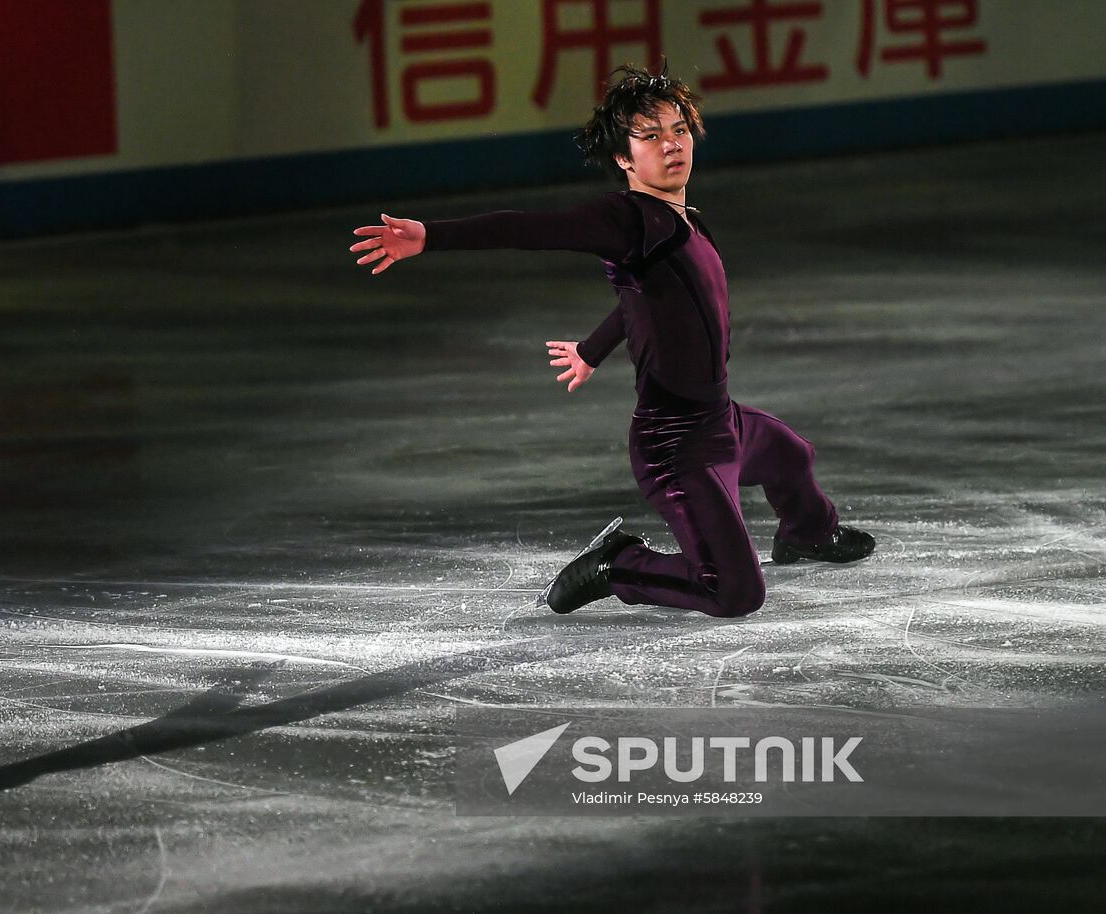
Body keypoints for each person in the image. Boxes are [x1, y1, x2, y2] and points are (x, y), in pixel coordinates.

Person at [349, 63, 873, 618]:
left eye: (678, 129)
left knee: (792, 455)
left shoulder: (690, 220)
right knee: (735, 591)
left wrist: (591, 350)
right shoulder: (628, 219)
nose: (671, 145)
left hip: (722, 421)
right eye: (650, 136)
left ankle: (808, 535)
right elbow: (532, 229)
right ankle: (617, 563)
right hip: (677, 446)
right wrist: (432, 237)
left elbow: (643, 302)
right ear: (624, 157)